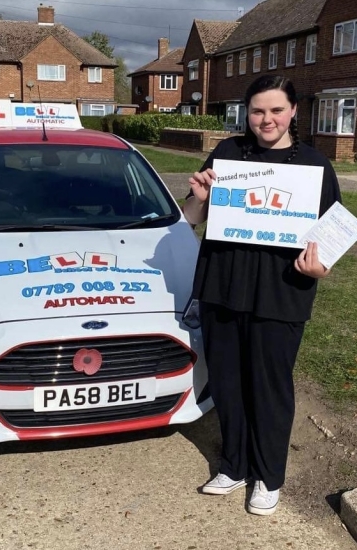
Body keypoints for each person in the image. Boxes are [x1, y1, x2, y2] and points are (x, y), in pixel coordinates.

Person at [183, 75, 341, 516]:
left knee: (269, 389)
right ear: (246, 113)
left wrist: (319, 267)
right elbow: (191, 216)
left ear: (293, 111)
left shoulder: (315, 165)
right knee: (229, 384)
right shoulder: (229, 155)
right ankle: (233, 466)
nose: (266, 119)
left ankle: (268, 477)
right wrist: (200, 198)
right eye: (257, 111)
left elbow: (330, 237)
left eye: (275, 110)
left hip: (281, 292)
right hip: (224, 288)